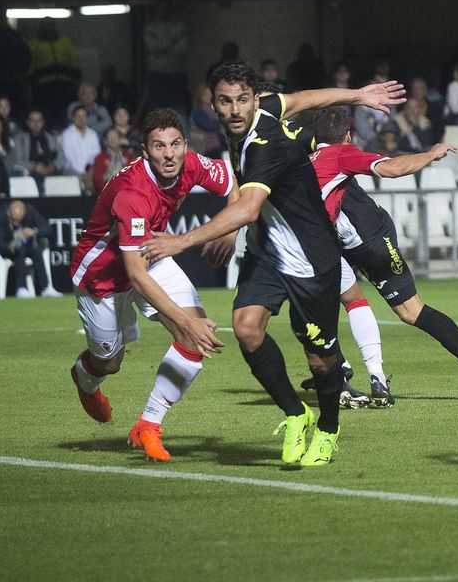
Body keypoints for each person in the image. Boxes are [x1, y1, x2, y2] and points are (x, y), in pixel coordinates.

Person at [140, 62, 405, 466]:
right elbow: (302, 99)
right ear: (212, 104)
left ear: (253, 100)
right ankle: (297, 415)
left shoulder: (266, 144)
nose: (234, 110)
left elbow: (247, 208)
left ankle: (329, 429)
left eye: (241, 101)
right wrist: (356, 94)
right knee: (246, 328)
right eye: (226, 101)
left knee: (321, 359)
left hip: (313, 259)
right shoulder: (264, 110)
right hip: (269, 253)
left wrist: (182, 240)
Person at [308, 106, 458, 407]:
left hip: (372, 240)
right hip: (336, 243)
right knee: (317, 298)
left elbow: (394, 168)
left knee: (410, 311)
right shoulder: (313, 159)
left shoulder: (337, 155)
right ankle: (337, 369)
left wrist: (430, 154)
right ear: (348, 133)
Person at [68, 109, 232, 462]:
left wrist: (231, 231)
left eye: (175, 144)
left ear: (185, 145)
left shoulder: (193, 163)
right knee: (110, 362)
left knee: (192, 339)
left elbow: (237, 186)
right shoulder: (132, 192)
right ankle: (84, 376)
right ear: (145, 151)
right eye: (159, 146)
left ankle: (148, 424)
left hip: (151, 252)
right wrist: (184, 322)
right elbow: (136, 276)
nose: (169, 153)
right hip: (103, 276)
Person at [0, 199, 60, 298]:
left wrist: (34, 232)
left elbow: (47, 229)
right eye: (14, 220)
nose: (16, 223)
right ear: (9, 213)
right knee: (20, 250)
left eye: (19, 220)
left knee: (36, 250)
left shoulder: (31, 211)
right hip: (6, 249)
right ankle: (21, 288)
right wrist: (9, 246)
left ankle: (46, 288)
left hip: (27, 246)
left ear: (24, 212)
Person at [59, 105, 102, 188]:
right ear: (72, 118)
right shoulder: (67, 134)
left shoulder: (92, 134)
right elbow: (69, 157)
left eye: (84, 116)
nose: (81, 119)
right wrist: (83, 173)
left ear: (88, 118)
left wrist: (90, 171)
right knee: (79, 178)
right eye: (78, 116)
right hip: (71, 169)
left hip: (90, 170)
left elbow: (96, 155)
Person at [91, 127, 136, 193]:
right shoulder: (99, 158)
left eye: (115, 137)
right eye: (110, 137)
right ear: (105, 141)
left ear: (120, 140)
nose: (113, 140)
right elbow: (98, 182)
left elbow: (134, 178)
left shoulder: (129, 156)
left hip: (127, 194)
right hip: (107, 194)